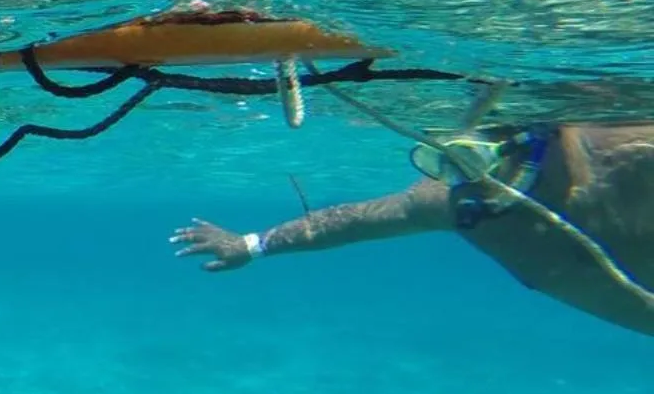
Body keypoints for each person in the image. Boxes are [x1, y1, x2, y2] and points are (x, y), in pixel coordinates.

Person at [171, 120, 654, 337]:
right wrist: (250, 245)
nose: (472, 177)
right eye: (453, 161)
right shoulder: (452, 203)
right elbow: (350, 222)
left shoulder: (630, 151)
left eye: (487, 154)